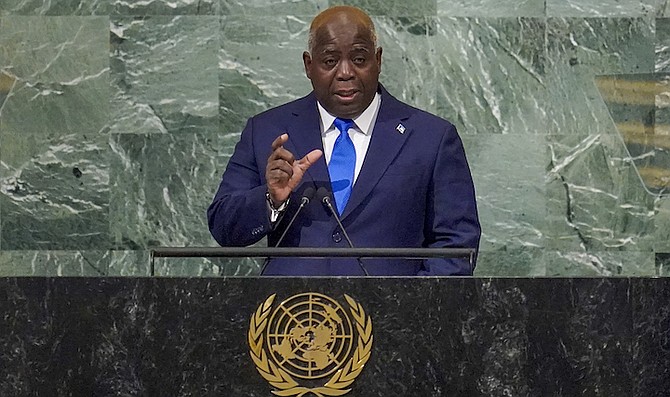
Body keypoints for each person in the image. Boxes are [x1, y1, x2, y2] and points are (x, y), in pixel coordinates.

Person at [208, 6, 480, 276]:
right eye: (330, 61)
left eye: (360, 59)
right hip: (292, 315)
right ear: (308, 65)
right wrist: (271, 199)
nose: (346, 72)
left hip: (393, 315)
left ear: (379, 60)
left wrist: (407, 310)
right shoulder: (267, 130)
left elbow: (456, 245)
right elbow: (223, 226)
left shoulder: (431, 138)